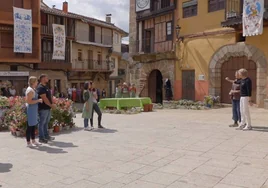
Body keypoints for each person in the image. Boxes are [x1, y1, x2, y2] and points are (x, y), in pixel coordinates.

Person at [37, 74, 55, 143]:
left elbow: (49, 97)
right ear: (42, 79)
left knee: (46, 123)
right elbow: (44, 98)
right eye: (46, 78)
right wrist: (51, 105)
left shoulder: (46, 87)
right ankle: (41, 138)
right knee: (42, 123)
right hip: (43, 108)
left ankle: (46, 136)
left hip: (47, 108)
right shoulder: (40, 87)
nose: (47, 78)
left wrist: (51, 104)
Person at [25, 76, 43, 147]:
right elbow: (29, 101)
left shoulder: (33, 89)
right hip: (31, 109)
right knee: (30, 126)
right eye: (36, 81)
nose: (37, 82)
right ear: (33, 82)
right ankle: (28, 142)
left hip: (34, 109)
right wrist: (38, 100)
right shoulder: (30, 90)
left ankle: (33, 140)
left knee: (33, 125)